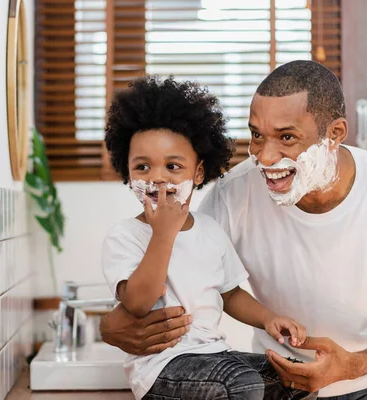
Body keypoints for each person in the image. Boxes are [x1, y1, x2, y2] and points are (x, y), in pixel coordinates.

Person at [100, 61, 367, 399]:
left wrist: (350, 366)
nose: (264, 157)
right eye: (256, 136)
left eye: (287, 137)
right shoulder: (233, 194)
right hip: (280, 378)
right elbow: (184, 274)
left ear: (334, 134)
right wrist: (110, 328)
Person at [102, 76, 317, 400]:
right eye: (142, 167)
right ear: (127, 171)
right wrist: (163, 235)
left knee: (293, 378)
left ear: (198, 173)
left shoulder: (210, 229)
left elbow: (230, 295)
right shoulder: (126, 236)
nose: (157, 176)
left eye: (173, 166)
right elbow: (137, 303)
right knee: (241, 384)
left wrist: (269, 319)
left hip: (215, 355)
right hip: (162, 367)